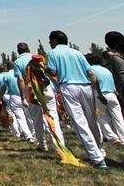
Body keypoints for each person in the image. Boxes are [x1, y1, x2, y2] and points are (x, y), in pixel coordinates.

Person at [46, 30, 104, 168]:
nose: (49, 43)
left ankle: (96, 157)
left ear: (55, 40)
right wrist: (97, 90)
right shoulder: (77, 53)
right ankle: (100, 148)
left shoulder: (53, 53)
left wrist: (48, 72)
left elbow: (53, 71)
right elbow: (90, 72)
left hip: (69, 86)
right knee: (92, 120)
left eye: (50, 40)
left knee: (79, 122)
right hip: (86, 86)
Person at [12, 42, 59, 151]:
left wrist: (23, 96)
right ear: (29, 49)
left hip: (32, 91)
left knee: (37, 120)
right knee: (53, 117)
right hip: (46, 89)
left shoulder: (17, 62)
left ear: (18, 51)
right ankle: (56, 145)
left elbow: (20, 80)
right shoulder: (39, 58)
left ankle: (42, 145)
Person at [85, 53, 124, 146]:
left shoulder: (90, 70)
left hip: (100, 95)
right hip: (112, 94)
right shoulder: (106, 70)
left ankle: (112, 137)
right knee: (118, 118)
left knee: (101, 117)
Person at [0, 62, 32, 141]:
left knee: (17, 117)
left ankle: (22, 134)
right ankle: (33, 132)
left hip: (12, 96)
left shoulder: (4, 76)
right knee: (28, 115)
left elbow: (2, 88)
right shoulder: (21, 73)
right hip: (24, 95)